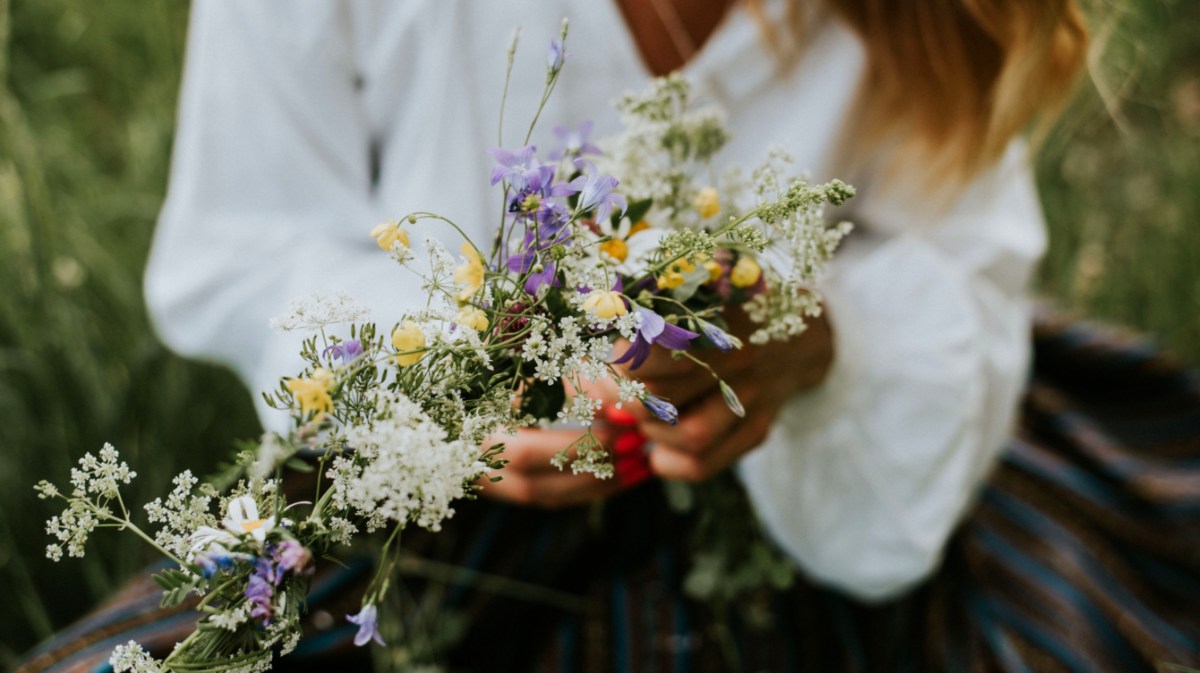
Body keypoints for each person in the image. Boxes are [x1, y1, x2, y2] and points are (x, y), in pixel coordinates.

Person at [17, 1, 1200, 672]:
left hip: (839, 469)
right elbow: (248, 246)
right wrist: (455, 380)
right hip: (419, 501)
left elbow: (958, 257)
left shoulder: (928, 19)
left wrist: (819, 340)